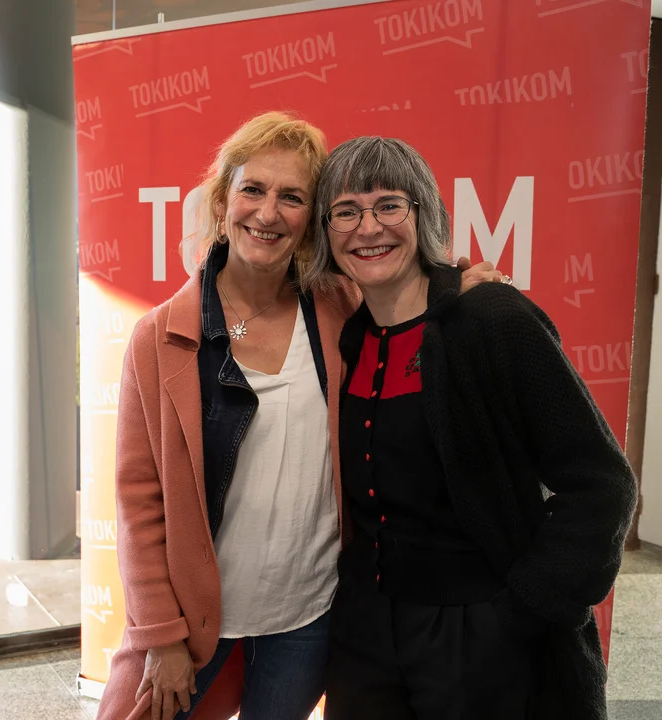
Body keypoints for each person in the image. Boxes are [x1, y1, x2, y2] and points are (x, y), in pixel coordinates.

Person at [95, 113, 503, 720]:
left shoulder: (341, 306)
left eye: (292, 197)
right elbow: (138, 500)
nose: (268, 213)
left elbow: (408, 291)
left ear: (310, 219)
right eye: (253, 190)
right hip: (193, 624)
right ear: (222, 202)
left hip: (308, 617)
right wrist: (160, 635)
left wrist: (460, 289)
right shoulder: (161, 338)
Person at [306, 136, 638, 720]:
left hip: (482, 639)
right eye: (346, 210)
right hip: (366, 639)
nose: (368, 227)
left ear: (424, 214)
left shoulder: (491, 320)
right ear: (326, 232)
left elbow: (602, 485)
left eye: (389, 205)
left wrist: (522, 613)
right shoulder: (350, 339)